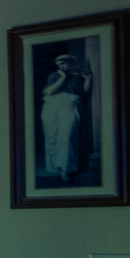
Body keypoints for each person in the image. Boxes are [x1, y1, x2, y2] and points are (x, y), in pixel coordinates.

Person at [40, 52, 92, 180]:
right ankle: (56, 167)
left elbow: (85, 94)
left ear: (71, 63)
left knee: (66, 136)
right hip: (51, 106)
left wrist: (88, 79)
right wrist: (63, 77)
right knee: (52, 137)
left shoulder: (79, 76)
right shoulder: (55, 75)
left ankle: (66, 169)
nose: (61, 67)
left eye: (63, 63)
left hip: (69, 106)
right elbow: (50, 91)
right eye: (59, 64)